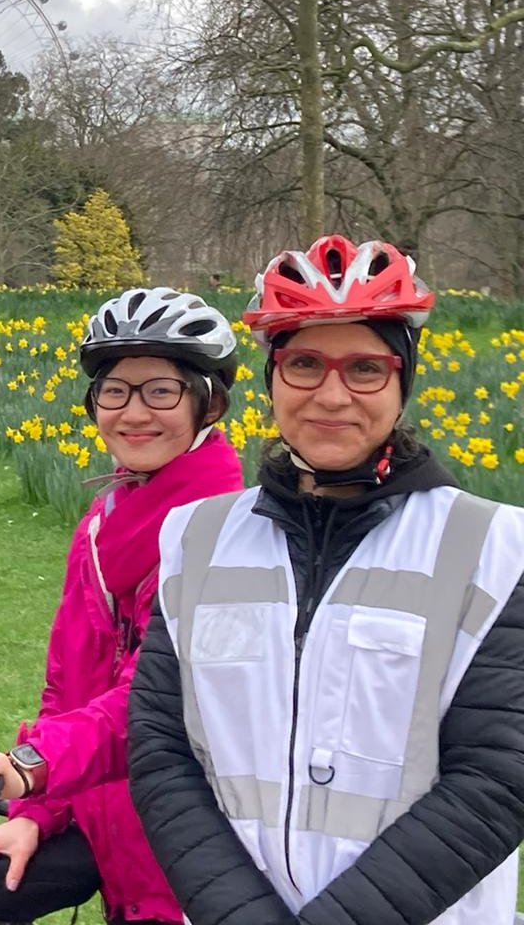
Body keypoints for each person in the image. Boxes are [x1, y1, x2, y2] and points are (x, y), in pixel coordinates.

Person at [128, 235, 524, 925]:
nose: (332, 396)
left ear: (403, 381)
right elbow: (162, 750)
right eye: (305, 364)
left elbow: (498, 778)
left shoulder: (497, 549)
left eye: (366, 368)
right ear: (272, 379)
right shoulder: (195, 539)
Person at [0, 287, 245, 925]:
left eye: (161, 390)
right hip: (116, 830)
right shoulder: (102, 523)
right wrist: (37, 816)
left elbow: (157, 699)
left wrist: (30, 767)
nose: (134, 413)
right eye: (115, 390)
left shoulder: (226, 535)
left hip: (200, 844)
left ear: (208, 401)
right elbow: (69, 685)